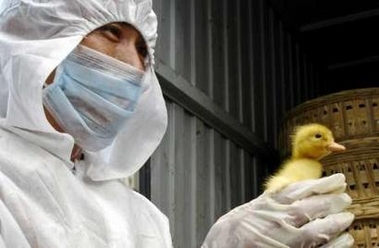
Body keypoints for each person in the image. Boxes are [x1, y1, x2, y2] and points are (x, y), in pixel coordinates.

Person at [0, 0, 354, 247]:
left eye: (143, 50)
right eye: (110, 32)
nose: (135, 67)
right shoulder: (8, 175)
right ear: (38, 39)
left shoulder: (142, 217)